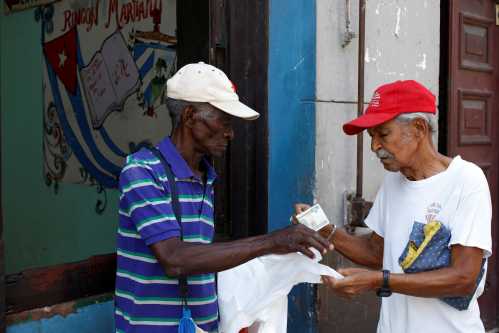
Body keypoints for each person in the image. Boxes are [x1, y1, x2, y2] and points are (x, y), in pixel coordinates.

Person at [115, 62, 332, 333]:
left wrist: (278, 248)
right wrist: (273, 241)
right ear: (190, 115)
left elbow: (201, 251)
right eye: (224, 121)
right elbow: (174, 258)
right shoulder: (143, 171)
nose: (230, 133)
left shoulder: (206, 177)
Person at [295, 80, 492, 333]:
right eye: (371, 136)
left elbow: (463, 278)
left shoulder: (466, 180)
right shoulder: (392, 183)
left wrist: (379, 281)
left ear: (419, 128)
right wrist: (322, 228)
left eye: (383, 134)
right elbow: (377, 252)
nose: (374, 146)